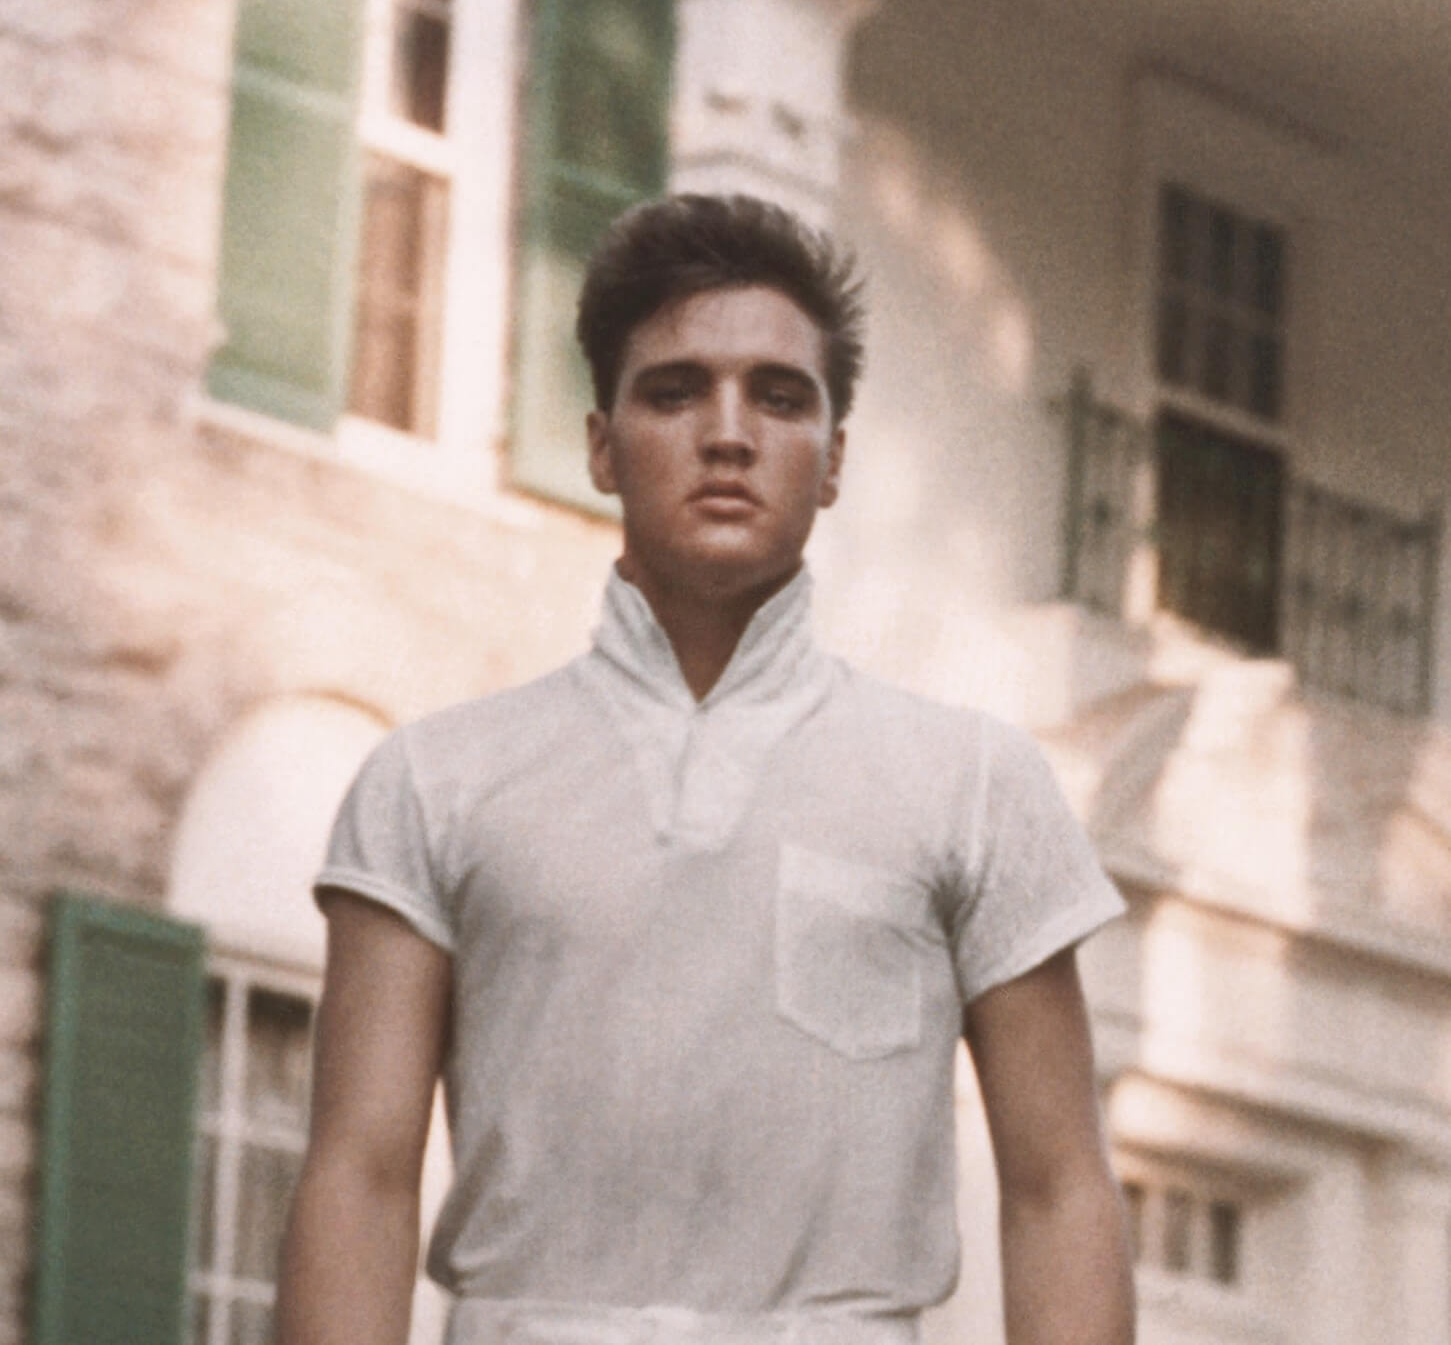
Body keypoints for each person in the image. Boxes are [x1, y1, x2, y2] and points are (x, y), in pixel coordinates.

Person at [276, 193, 1136, 1345]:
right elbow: (359, 1176)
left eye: (778, 398)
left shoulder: (972, 784)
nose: (726, 433)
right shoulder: (434, 781)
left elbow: (1058, 1187)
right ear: (599, 445)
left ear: (831, 461)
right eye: (675, 390)